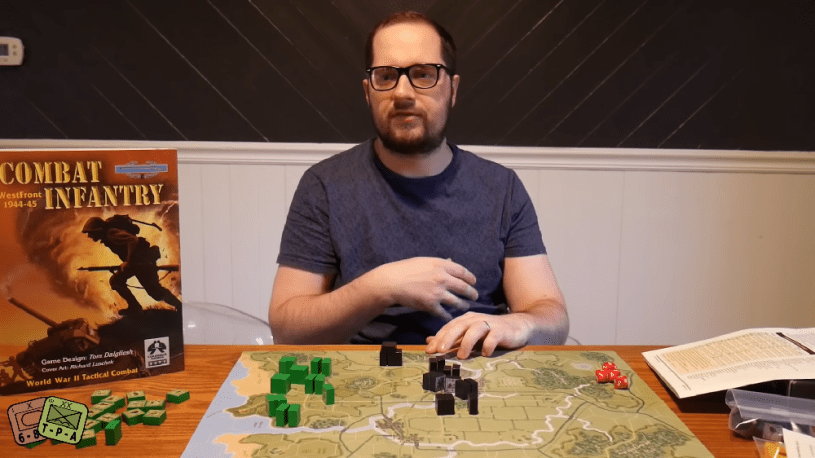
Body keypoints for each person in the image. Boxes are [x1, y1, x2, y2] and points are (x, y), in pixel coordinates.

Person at [269, 11, 568, 359]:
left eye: (424, 74)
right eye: (385, 76)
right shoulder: (324, 186)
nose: (402, 93)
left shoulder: (503, 189)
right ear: (368, 92)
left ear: (452, 89)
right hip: (366, 374)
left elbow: (552, 316)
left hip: (478, 370)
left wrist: (519, 324)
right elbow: (287, 331)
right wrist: (381, 286)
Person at [82, 215, 182, 315]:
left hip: (144, 261)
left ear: (97, 230)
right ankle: (135, 307)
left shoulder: (111, 234)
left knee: (155, 292)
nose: (89, 236)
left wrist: (127, 261)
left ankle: (180, 307)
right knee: (116, 281)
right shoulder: (108, 235)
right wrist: (128, 262)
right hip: (135, 263)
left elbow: (133, 240)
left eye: (90, 232)